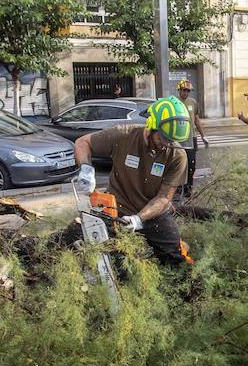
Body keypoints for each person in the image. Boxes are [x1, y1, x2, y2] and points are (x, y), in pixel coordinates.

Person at [68, 96, 192, 266]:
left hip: (152, 214)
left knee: (176, 257)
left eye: (171, 141)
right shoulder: (123, 135)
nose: (167, 145)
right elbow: (83, 142)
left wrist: (138, 219)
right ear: (152, 126)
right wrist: (86, 169)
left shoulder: (177, 155)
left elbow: (164, 198)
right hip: (116, 210)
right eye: (163, 139)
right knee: (109, 257)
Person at [176, 79, 209, 196]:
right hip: (178, 140)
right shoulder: (174, 103)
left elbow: (196, 119)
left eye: (188, 91)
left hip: (191, 138)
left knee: (191, 164)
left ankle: (188, 188)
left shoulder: (192, 102)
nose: (186, 93)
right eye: (184, 90)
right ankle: (178, 187)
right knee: (179, 164)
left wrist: (203, 135)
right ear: (179, 90)